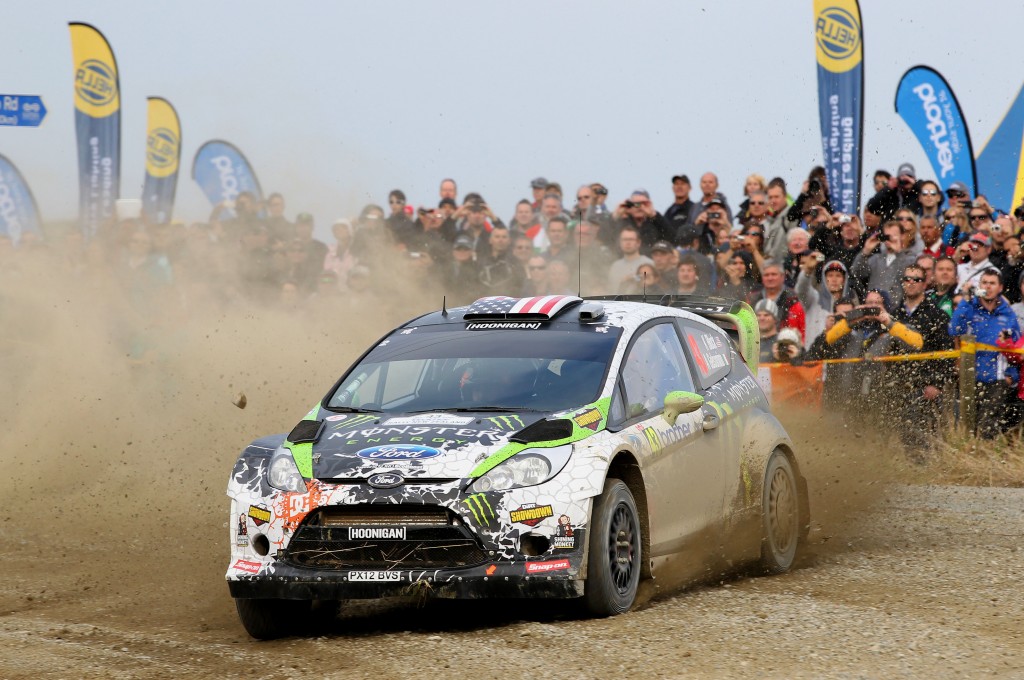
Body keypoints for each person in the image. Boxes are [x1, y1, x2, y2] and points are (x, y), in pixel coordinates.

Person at [886, 264, 957, 451]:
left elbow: (947, 353)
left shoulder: (936, 315)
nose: (911, 283)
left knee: (927, 438)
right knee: (902, 435)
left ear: (924, 283)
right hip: (899, 383)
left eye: (916, 279)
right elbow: (887, 350)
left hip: (926, 384)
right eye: (907, 279)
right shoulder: (895, 314)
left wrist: (937, 383)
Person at [949, 269, 1022, 438]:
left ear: (1000, 287)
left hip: (997, 379)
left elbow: (1016, 346)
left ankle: (983, 460)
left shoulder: (1008, 313)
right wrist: (965, 300)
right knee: (966, 426)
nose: (988, 287)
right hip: (970, 376)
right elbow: (954, 329)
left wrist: (1011, 376)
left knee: (987, 428)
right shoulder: (970, 308)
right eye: (984, 283)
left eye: (992, 283)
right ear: (979, 286)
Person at [850, 220, 917, 304]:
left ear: (902, 236)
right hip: (873, 306)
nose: (890, 239)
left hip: (897, 309)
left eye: (894, 235)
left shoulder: (910, 258)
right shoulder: (875, 259)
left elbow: (909, 277)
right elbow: (855, 272)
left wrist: (899, 253)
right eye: (887, 236)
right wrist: (865, 251)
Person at [796, 258, 855, 349]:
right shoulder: (813, 299)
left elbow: (855, 334)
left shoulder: (850, 304)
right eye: (830, 275)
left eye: (838, 276)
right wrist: (807, 272)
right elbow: (801, 289)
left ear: (844, 280)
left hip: (841, 358)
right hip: (814, 357)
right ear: (824, 278)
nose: (834, 279)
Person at [750, 260, 806, 342]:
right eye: (766, 275)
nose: (770, 278)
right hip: (757, 345)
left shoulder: (793, 299)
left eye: (774, 274)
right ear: (762, 278)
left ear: (782, 276)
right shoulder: (753, 298)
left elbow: (802, 329)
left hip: (787, 345)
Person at [607, 226, 653, 292]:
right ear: (620, 242)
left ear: (638, 243)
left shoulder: (649, 264)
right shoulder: (615, 266)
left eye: (631, 239)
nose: (628, 243)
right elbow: (611, 291)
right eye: (625, 239)